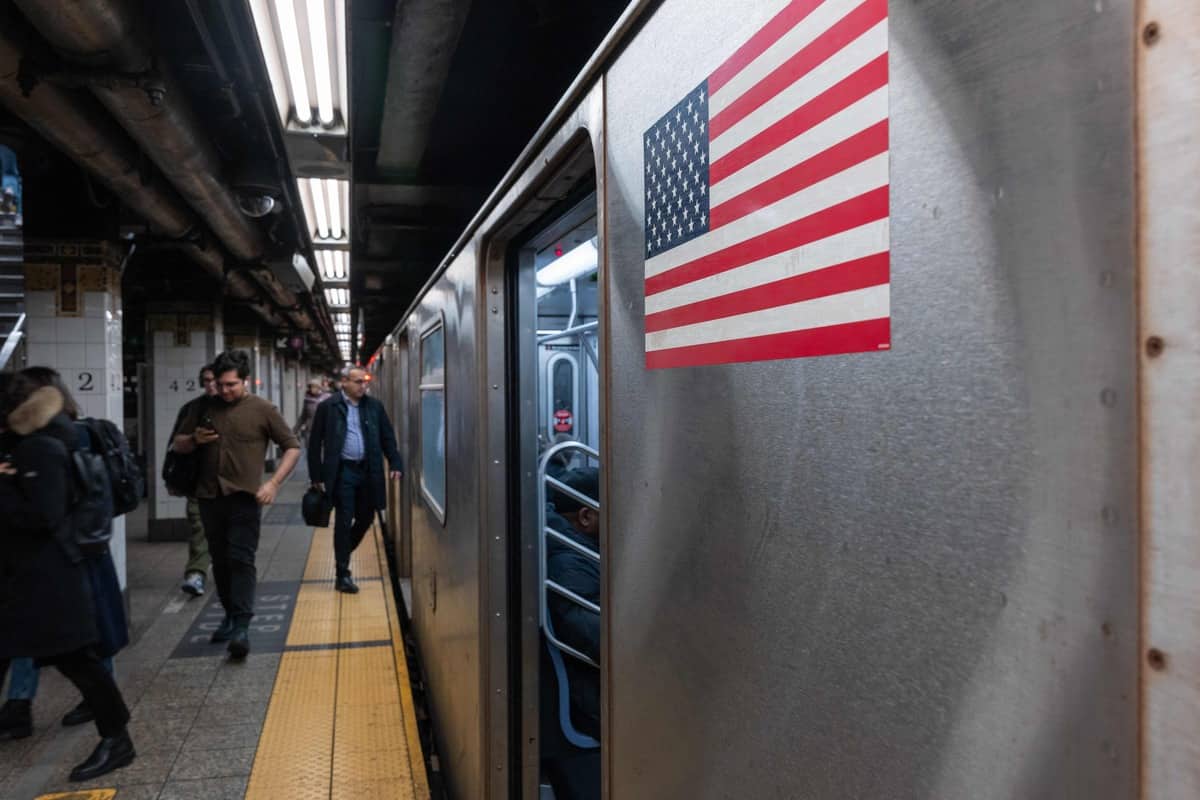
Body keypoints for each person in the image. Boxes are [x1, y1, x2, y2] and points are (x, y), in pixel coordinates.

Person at [0, 373, 135, 781]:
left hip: (47, 582)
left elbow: (44, 515)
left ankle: (117, 739)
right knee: (78, 663)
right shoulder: (31, 443)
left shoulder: (40, 448)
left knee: (82, 664)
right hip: (24, 580)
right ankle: (115, 737)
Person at [172, 350, 300, 658]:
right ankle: (230, 614)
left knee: (241, 559)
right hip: (208, 497)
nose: (224, 390)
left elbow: (292, 447)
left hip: (245, 499)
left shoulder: (262, 409)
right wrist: (195, 441)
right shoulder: (201, 407)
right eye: (220, 384)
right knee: (221, 560)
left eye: (231, 384)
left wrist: (273, 483)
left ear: (245, 380)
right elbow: (178, 443)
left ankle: (242, 626)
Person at [307, 366, 402, 593]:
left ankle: (342, 551)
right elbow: (314, 443)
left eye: (365, 382)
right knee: (343, 519)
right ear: (344, 383)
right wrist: (316, 476)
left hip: (369, 471)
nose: (363, 386)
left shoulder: (374, 407)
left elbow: (388, 437)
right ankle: (343, 574)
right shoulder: (327, 407)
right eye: (358, 382)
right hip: (342, 472)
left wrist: (396, 462)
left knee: (366, 517)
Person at [541, 467, 601, 800]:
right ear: (586, 516)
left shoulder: (573, 547)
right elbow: (598, 640)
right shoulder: (569, 564)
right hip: (589, 702)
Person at [170, 364, 218, 596]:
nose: (211, 385)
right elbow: (176, 444)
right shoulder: (192, 409)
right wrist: (194, 439)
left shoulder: (243, 407)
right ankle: (196, 573)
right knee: (199, 527)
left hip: (233, 484)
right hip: (199, 481)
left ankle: (229, 571)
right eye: (206, 380)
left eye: (215, 380)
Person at [294, 378, 329, 445]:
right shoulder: (307, 400)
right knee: (310, 451)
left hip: (323, 431)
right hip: (310, 431)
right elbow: (303, 417)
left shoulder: (326, 398)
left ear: (319, 388)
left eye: (315, 387)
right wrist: (294, 431)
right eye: (311, 387)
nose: (313, 389)